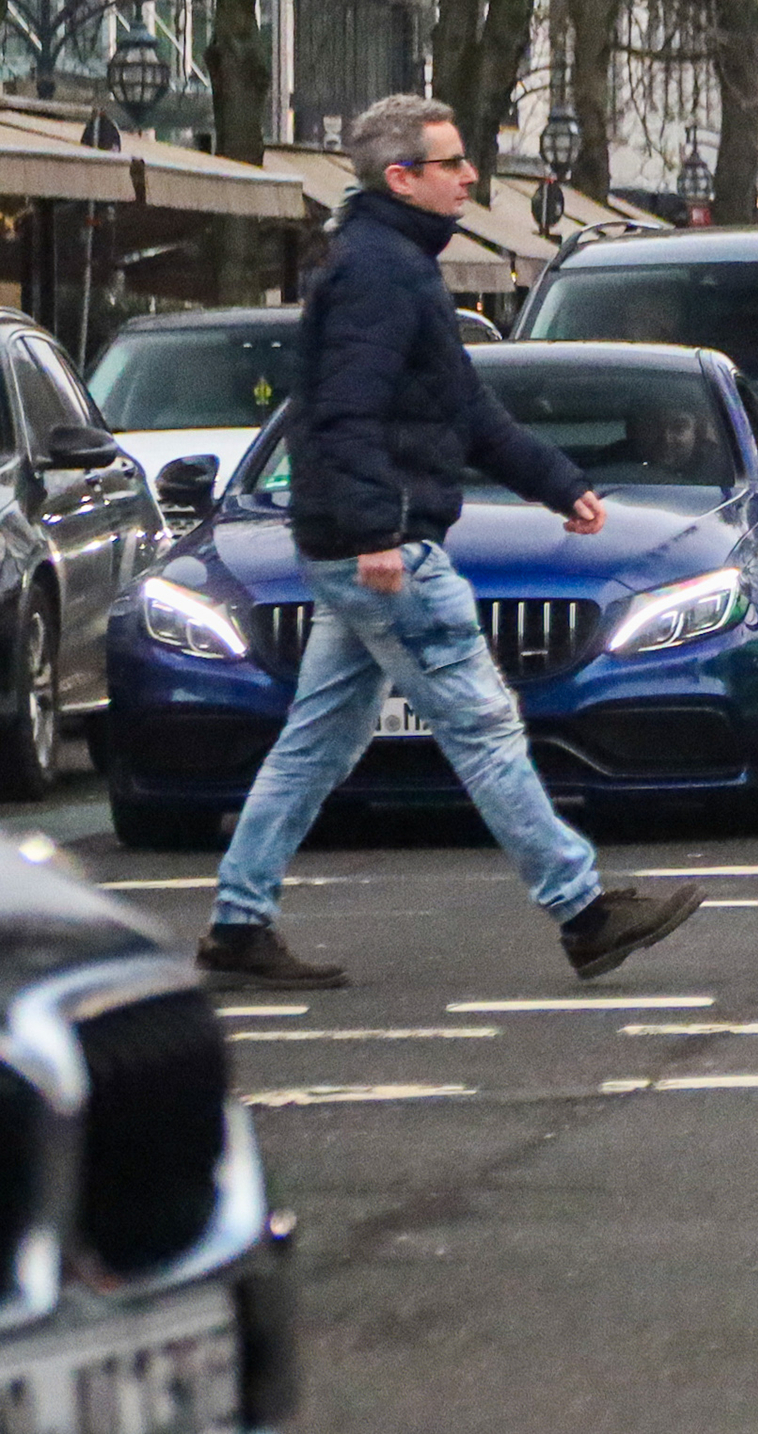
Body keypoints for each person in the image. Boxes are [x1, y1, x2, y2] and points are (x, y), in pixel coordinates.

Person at [195, 95, 704, 990]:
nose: (472, 177)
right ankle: (583, 912)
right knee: (483, 726)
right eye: (452, 164)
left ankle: (240, 921)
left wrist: (558, 484)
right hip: (385, 547)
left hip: (363, 537)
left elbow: (462, 409)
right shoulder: (382, 273)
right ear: (403, 177)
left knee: (318, 739)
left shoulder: (393, 264)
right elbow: (343, 414)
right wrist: (375, 532)